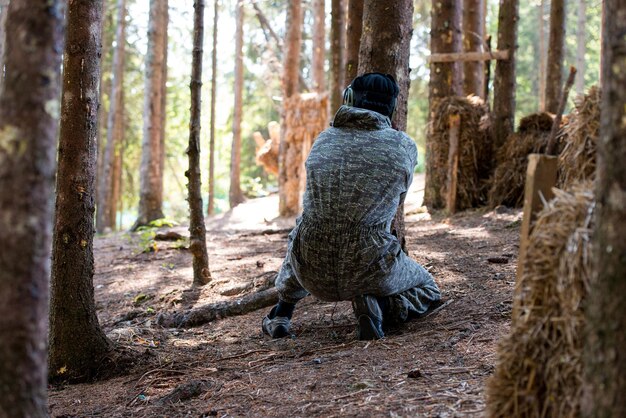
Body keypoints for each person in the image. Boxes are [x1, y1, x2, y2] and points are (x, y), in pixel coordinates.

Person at [262, 72, 441, 340]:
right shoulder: (404, 146)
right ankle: (378, 305)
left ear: (349, 98)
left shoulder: (324, 140)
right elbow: (395, 204)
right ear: (392, 106)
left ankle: (281, 314)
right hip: (370, 265)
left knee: (306, 226)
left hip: (310, 270)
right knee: (429, 288)